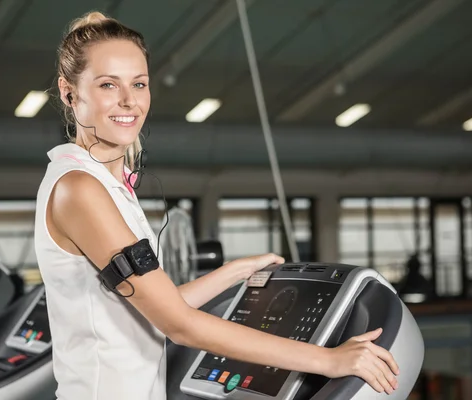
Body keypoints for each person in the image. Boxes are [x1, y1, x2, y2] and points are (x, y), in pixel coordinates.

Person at [34, 11, 399, 400]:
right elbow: (178, 325)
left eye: (139, 84)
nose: (129, 100)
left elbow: (155, 305)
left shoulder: (105, 185)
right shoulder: (79, 189)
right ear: (69, 92)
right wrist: (329, 360)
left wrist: (233, 272)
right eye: (108, 84)